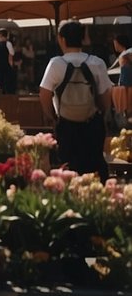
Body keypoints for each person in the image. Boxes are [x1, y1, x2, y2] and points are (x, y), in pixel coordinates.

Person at [40, 20, 112, 180]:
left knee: (68, 170)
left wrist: (53, 117)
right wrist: (101, 114)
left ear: (62, 39)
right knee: (94, 169)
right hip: (92, 125)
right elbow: (106, 98)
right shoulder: (96, 62)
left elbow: (44, 94)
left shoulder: (56, 63)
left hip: (66, 126)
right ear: (83, 38)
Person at [111, 34, 132, 119]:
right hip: (124, 83)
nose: (115, 46)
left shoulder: (129, 52)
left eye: (115, 43)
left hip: (128, 84)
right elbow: (113, 67)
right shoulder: (123, 54)